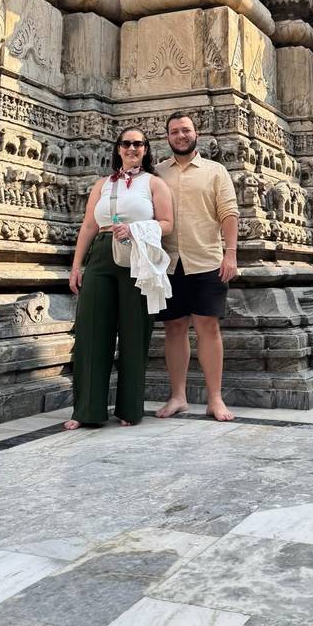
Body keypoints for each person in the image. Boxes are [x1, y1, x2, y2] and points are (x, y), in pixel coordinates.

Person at [64, 128, 173, 430]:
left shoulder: (153, 183)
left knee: (134, 331)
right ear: (118, 149)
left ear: (146, 149)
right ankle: (87, 410)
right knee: (91, 330)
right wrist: (76, 266)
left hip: (137, 256)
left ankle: (129, 408)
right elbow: (88, 226)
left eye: (138, 144)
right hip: (101, 254)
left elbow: (167, 224)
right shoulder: (101, 184)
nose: (132, 148)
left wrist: (137, 229)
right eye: (126, 143)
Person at [155, 113, 239, 421]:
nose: (180, 135)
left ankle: (215, 399)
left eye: (185, 130)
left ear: (196, 133)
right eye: (175, 131)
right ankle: (178, 396)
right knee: (174, 328)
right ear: (168, 138)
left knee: (208, 328)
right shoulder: (157, 173)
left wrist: (230, 254)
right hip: (167, 263)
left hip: (207, 260)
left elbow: (229, 214)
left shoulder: (215, 171)